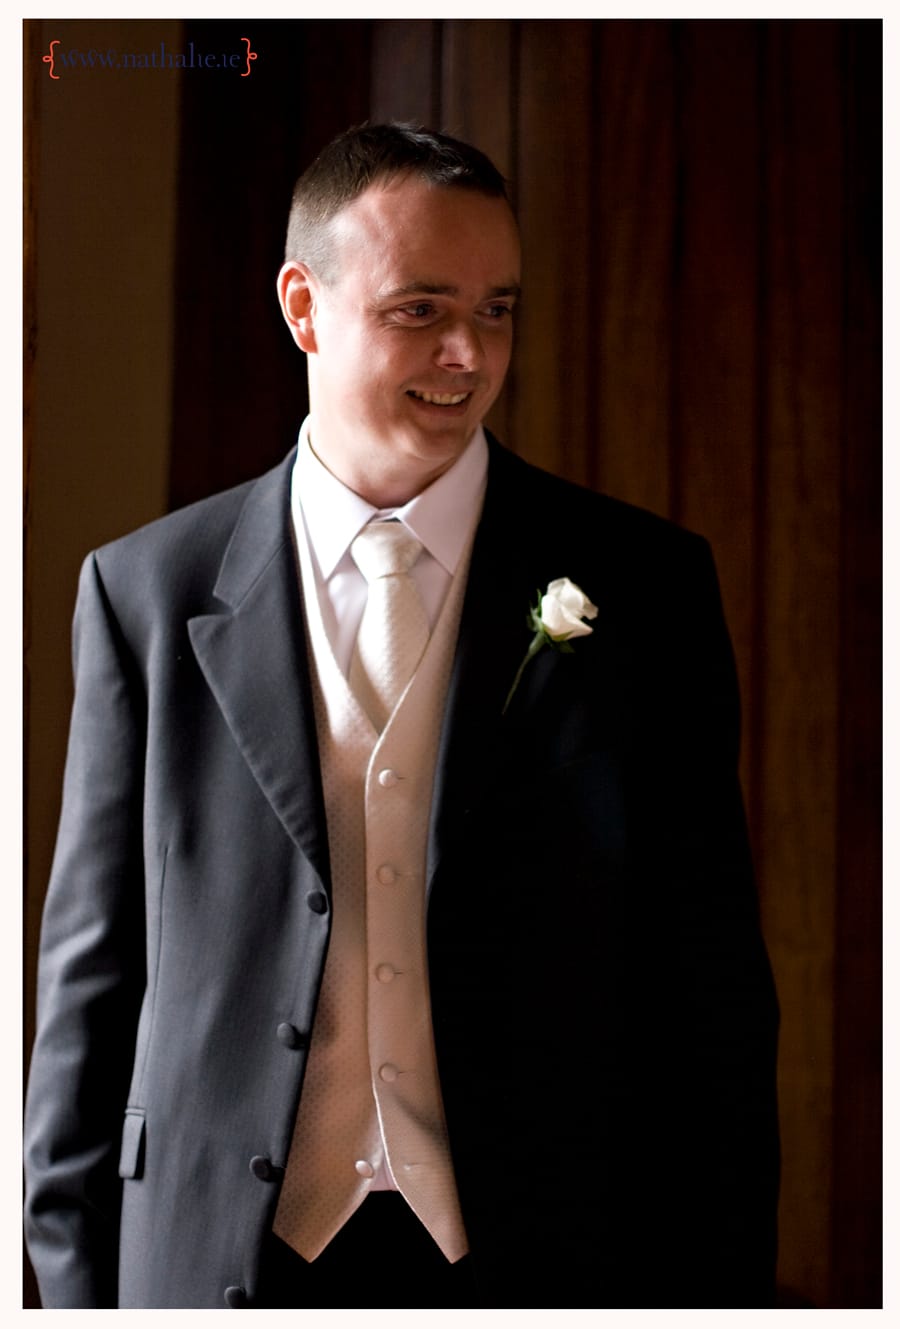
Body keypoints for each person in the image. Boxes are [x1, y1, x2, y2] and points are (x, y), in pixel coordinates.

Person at [24, 123, 779, 1310]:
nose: (469, 355)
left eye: (496, 310)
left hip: (541, 1261)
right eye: (420, 310)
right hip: (219, 1265)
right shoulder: (146, 594)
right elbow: (90, 988)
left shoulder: (646, 589)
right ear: (304, 306)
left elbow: (713, 994)